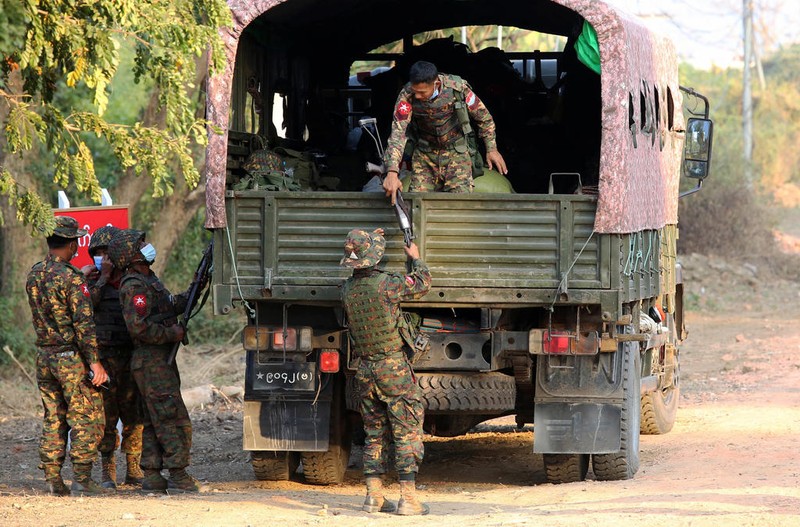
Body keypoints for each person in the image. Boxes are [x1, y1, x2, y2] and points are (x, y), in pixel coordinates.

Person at [340, 228, 432, 515]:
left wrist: (372, 238)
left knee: (374, 433)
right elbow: (422, 283)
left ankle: (373, 497)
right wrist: (415, 259)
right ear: (375, 257)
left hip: (365, 370)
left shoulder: (346, 290)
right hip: (392, 368)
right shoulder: (386, 285)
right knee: (406, 431)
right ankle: (408, 500)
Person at [107, 229, 201, 493]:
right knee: (172, 416)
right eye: (142, 244)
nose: (148, 246)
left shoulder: (149, 280)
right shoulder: (134, 285)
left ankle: (151, 474)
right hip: (151, 361)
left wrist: (196, 287)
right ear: (132, 255)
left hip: (158, 360)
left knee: (152, 418)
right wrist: (172, 333)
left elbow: (169, 305)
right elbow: (140, 329)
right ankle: (179, 474)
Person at [25, 215, 112, 495]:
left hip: (44, 357)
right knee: (86, 415)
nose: (77, 246)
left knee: (54, 416)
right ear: (70, 243)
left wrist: (81, 281)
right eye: (75, 241)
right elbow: (83, 324)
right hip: (70, 359)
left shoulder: (35, 273)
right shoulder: (71, 278)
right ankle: (83, 480)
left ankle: (53, 478)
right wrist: (95, 363)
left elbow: (53, 302)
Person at [382, 60, 508, 203]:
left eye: (422, 92)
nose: (417, 96)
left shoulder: (457, 89)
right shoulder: (407, 94)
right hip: (425, 156)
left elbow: (484, 119)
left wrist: (491, 149)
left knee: (460, 205)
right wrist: (392, 171)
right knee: (417, 204)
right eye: (415, 91)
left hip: (456, 153)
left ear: (436, 84)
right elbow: (398, 133)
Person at [82, 225, 144, 489]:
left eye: (107, 253)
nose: (103, 258)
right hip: (104, 360)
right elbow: (84, 309)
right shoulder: (91, 282)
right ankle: (108, 471)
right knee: (106, 418)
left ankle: (134, 468)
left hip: (130, 356)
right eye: (98, 253)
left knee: (134, 416)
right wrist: (102, 278)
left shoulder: (133, 280)